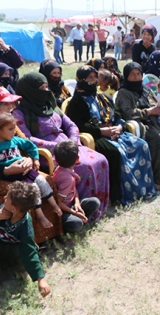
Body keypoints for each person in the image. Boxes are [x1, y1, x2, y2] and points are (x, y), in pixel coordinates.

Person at [0, 86, 64, 242]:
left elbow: (25, 143)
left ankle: (53, 231)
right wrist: (6, 170)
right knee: (24, 191)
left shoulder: (7, 120)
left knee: (46, 179)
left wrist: (30, 159)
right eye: (6, 104)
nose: (11, 108)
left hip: (18, 168)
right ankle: (29, 241)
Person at [13, 72, 110, 219]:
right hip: (49, 153)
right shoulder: (20, 113)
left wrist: (73, 140)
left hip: (70, 147)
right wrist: (59, 146)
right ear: (30, 90)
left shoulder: (51, 106)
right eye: (41, 88)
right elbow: (27, 139)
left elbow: (71, 125)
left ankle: (97, 208)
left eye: (47, 87)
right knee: (85, 166)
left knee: (101, 160)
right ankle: (77, 210)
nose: (46, 91)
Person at [65, 65, 155, 204]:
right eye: (90, 78)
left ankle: (142, 189)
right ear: (81, 80)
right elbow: (79, 125)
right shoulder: (76, 102)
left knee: (141, 145)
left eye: (95, 77)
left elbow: (118, 114)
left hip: (114, 131)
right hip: (96, 136)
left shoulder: (103, 97)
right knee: (115, 152)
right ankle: (119, 196)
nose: (94, 80)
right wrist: (102, 131)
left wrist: (119, 127)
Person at [0, 181, 52, 297]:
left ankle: (21, 269)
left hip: (14, 253)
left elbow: (29, 252)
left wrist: (40, 279)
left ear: (14, 208)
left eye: (7, 198)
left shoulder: (25, 224)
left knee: (30, 247)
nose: (4, 197)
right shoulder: (2, 210)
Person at [52, 140, 101, 231]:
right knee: (76, 223)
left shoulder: (63, 169)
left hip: (71, 205)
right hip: (62, 211)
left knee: (95, 202)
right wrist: (74, 212)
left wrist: (77, 202)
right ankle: (70, 226)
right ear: (77, 159)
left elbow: (73, 188)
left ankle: (81, 219)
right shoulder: (67, 179)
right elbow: (58, 202)